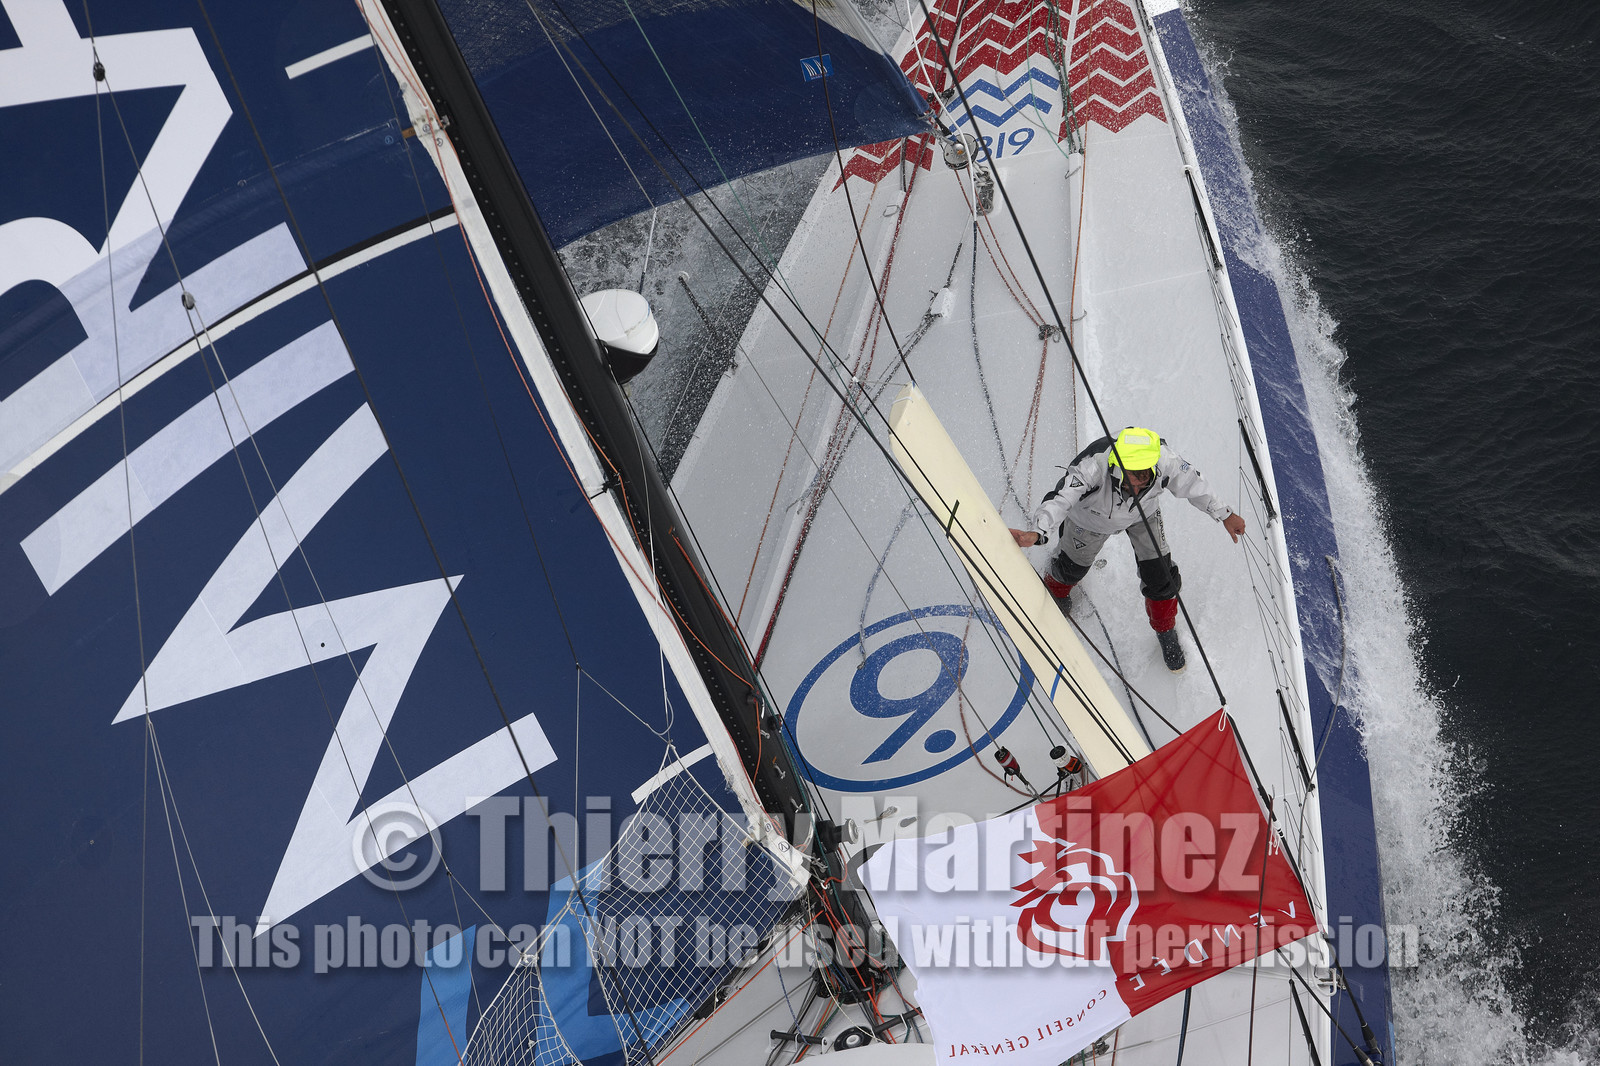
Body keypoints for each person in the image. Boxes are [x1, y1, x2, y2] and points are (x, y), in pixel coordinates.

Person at [1008, 427, 1246, 673]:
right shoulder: (1093, 468)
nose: (1142, 480)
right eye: (1135, 474)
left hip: (1143, 514)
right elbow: (1061, 498)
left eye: (1147, 474)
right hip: (1090, 520)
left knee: (1161, 576)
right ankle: (1057, 590)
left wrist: (1225, 515)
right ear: (1119, 467)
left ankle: (1165, 631)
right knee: (1070, 569)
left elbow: (1194, 483)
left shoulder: (1164, 460)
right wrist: (1038, 532)